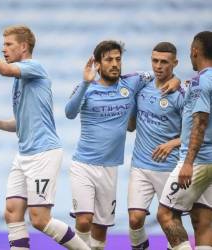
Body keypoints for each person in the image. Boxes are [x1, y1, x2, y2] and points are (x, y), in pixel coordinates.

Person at [0, 15, 90, 250]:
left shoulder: (34, 67)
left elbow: (3, 69)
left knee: (39, 219)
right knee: (12, 212)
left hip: (43, 153)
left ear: (24, 47)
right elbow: (22, 123)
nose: (3, 49)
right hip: (23, 155)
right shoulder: (20, 78)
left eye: (8, 44)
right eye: (3, 45)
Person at [65, 40, 180, 250]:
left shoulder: (132, 82)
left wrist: (178, 81)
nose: (115, 64)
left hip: (110, 169)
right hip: (83, 165)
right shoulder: (87, 88)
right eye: (109, 59)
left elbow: (161, 71)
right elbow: (69, 113)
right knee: (83, 220)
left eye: (118, 59)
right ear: (97, 64)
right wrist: (84, 83)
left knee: (100, 229)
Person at [127, 42, 184, 250]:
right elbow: (131, 126)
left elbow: (197, 132)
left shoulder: (181, 94)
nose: (158, 66)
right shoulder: (142, 86)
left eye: (164, 62)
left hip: (168, 167)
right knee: (135, 219)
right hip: (140, 165)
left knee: (171, 222)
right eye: (155, 61)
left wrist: (172, 143)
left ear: (175, 63)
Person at [158, 31, 212, 250]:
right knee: (202, 220)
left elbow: (200, 122)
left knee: (166, 213)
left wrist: (188, 163)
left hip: (197, 161)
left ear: (194, 51)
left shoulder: (201, 82)